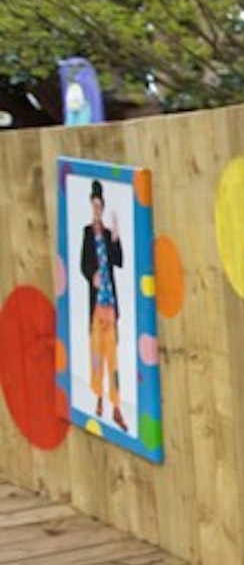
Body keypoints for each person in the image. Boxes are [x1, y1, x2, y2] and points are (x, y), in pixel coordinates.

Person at [80, 179, 126, 432]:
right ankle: (98, 398)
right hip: (95, 307)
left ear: (103, 206)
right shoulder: (87, 233)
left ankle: (116, 406)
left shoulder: (108, 235)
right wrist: (91, 276)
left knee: (113, 359)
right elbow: (82, 263)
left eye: (100, 205)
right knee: (96, 356)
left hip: (111, 307)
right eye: (94, 204)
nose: (97, 208)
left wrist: (117, 237)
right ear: (91, 205)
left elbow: (119, 262)